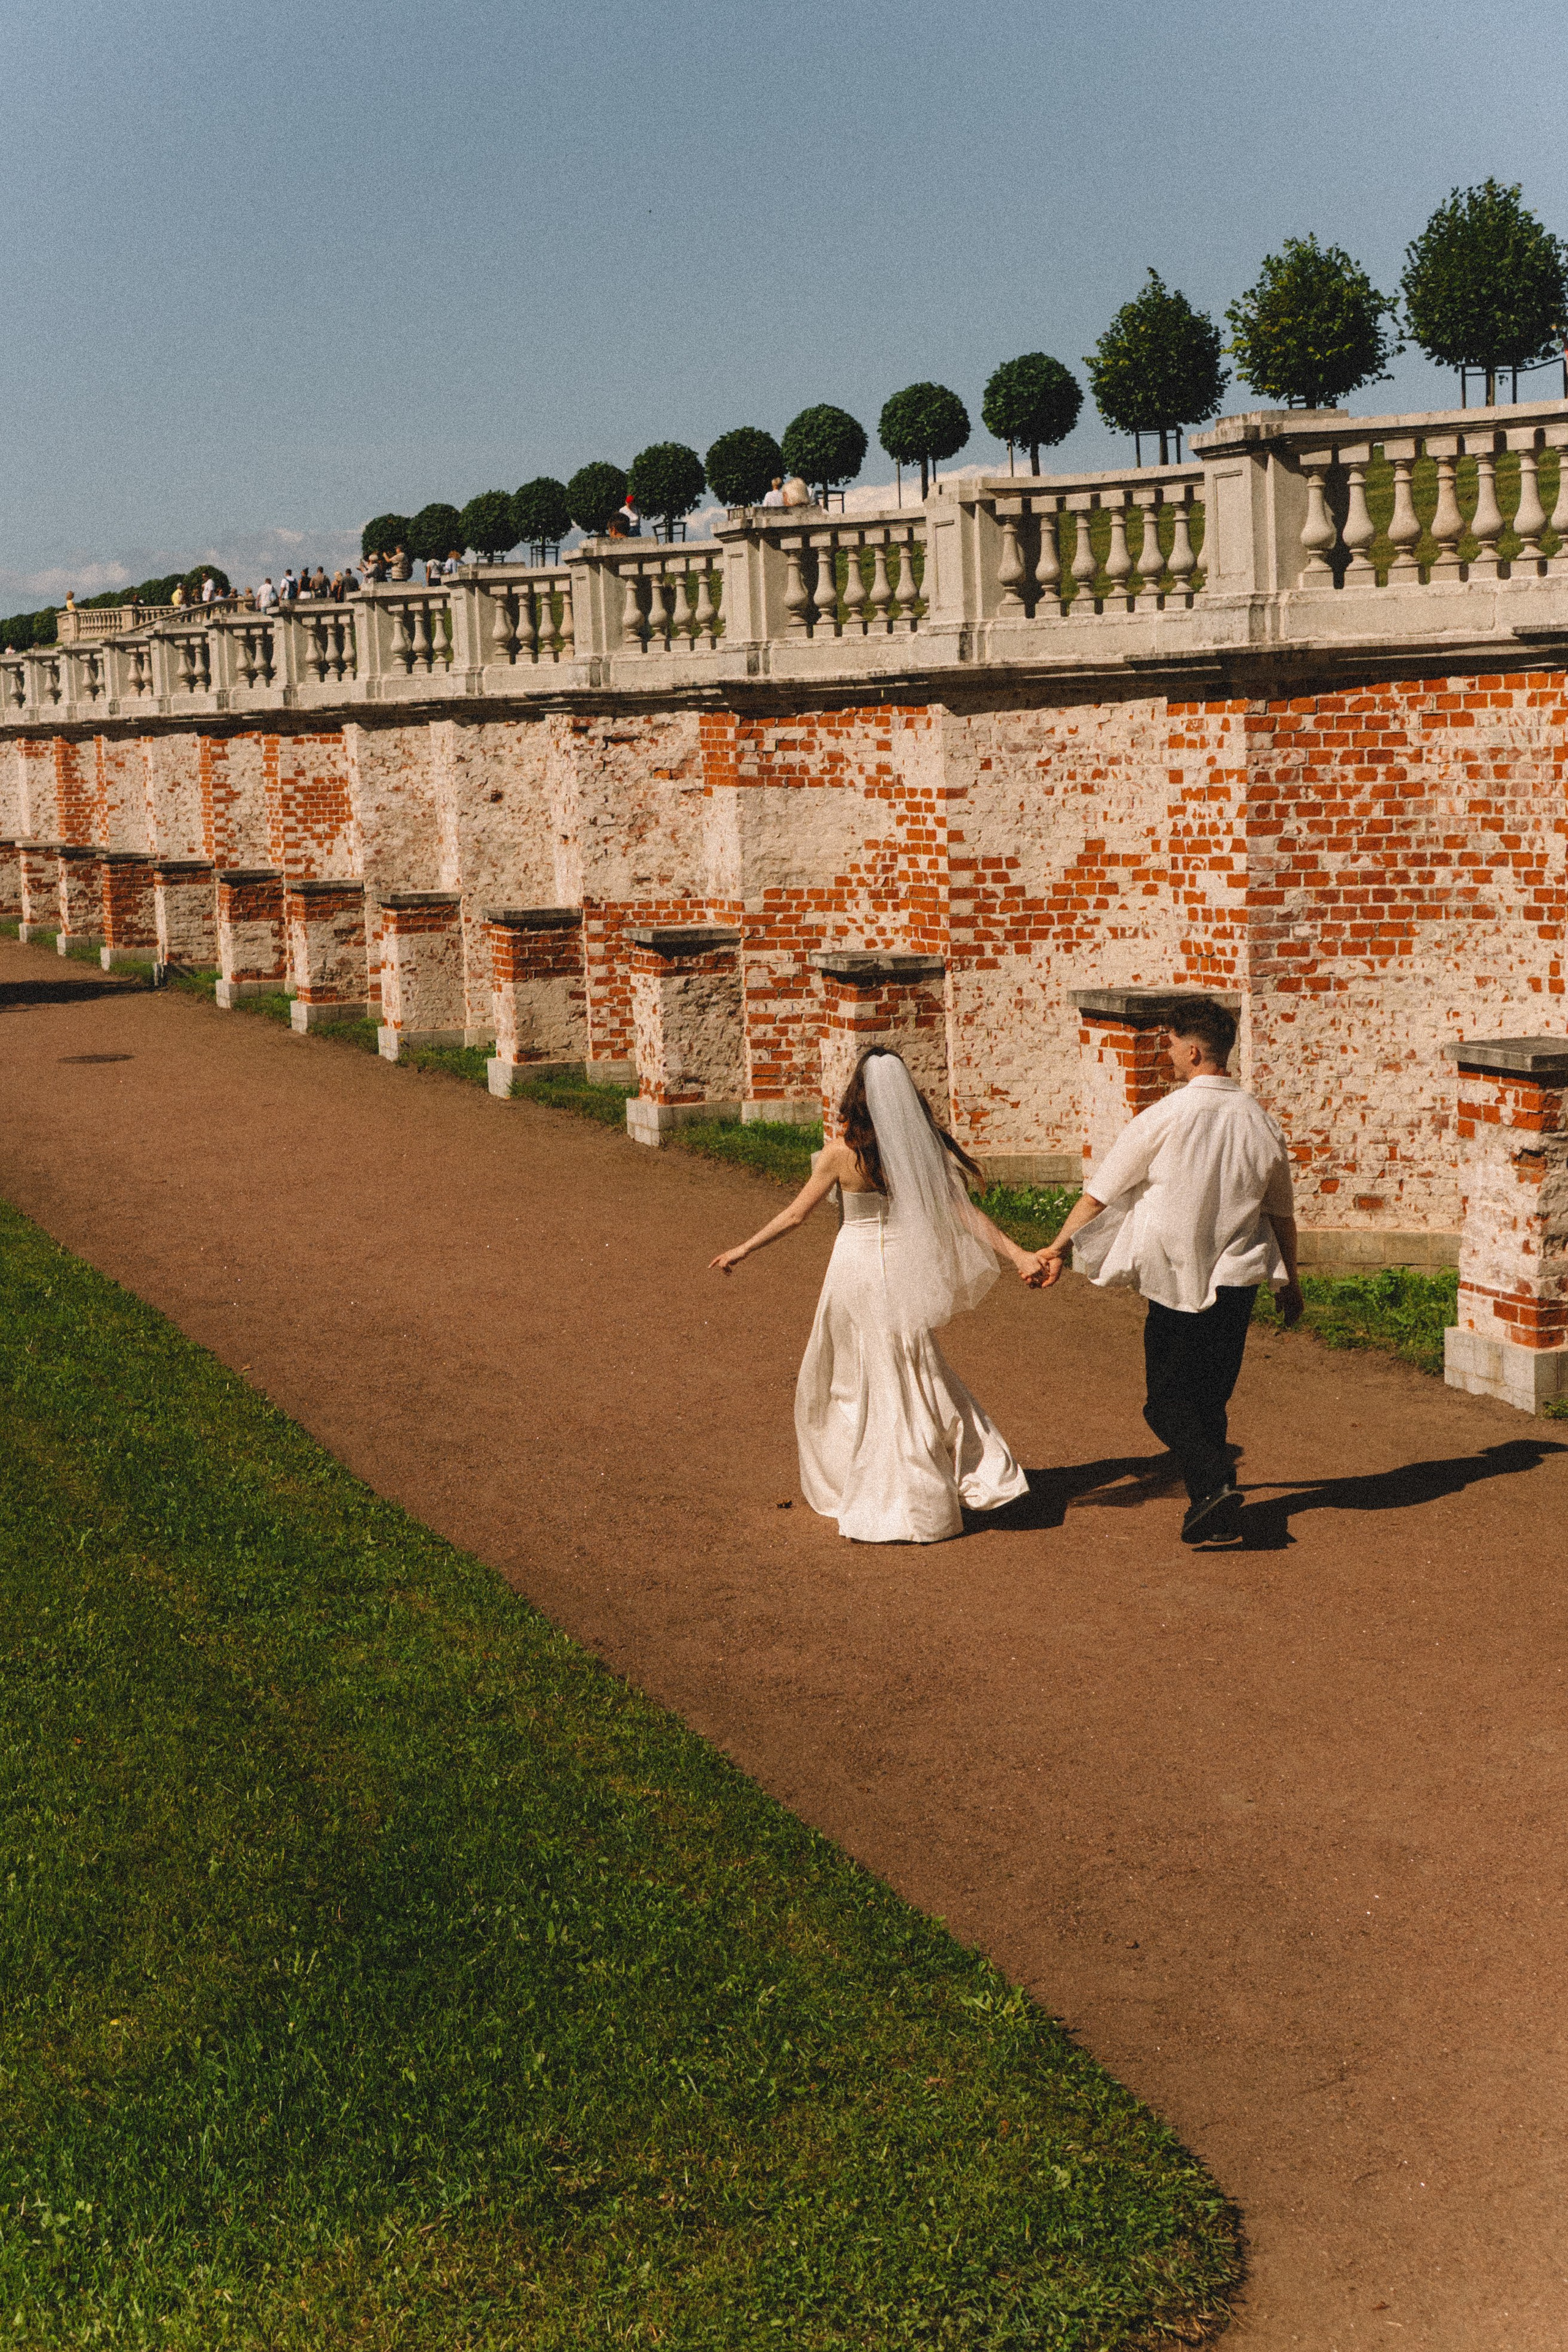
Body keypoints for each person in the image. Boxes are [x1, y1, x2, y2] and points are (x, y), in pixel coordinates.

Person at [711, 1047, 1041, 1544]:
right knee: (914, 1366)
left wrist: (744, 1247)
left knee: (851, 1374)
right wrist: (1017, 1253)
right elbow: (963, 1214)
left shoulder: (840, 1153)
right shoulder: (918, 1147)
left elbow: (796, 1215)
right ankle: (968, 1472)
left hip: (855, 1270)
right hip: (903, 1268)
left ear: (856, 1097)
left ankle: (880, 1485)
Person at [1038, 1000, 1303, 1545]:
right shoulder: (1262, 1122)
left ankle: (1215, 1490)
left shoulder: (1164, 1116)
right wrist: (1292, 1281)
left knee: (1164, 1403)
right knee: (1210, 1399)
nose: (1168, 1054)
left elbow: (1099, 1195)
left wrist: (1057, 1247)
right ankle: (1215, 1505)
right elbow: (1281, 1214)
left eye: (1172, 1044)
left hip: (1175, 1279)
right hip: (1237, 1277)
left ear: (1194, 1050)